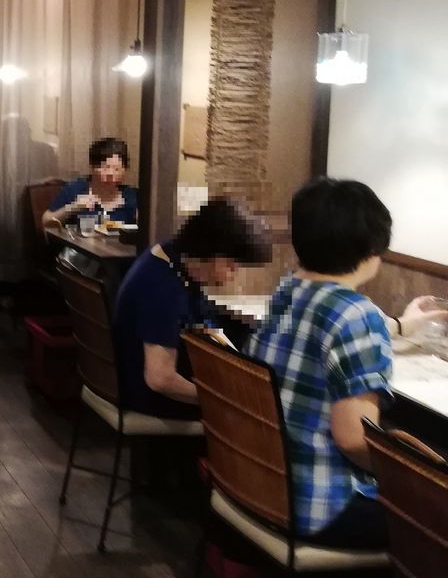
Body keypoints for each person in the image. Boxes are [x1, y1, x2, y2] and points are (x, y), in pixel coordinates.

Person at [245, 178, 448, 549]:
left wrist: (403, 324)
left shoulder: (287, 291)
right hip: (323, 504)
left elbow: (334, 320)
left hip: (267, 482)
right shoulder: (358, 316)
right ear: (372, 249)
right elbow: (353, 440)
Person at [114, 198, 272, 420]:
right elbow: (160, 379)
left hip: (147, 382)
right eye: (231, 264)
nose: (234, 273)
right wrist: (224, 399)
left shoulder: (169, 256)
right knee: (260, 414)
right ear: (211, 252)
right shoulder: (162, 289)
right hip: (151, 398)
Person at [43, 136, 138, 227]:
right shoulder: (75, 189)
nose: (110, 173)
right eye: (105, 167)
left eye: (116, 169)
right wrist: (73, 207)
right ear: (92, 167)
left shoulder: (131, 195)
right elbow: (45, 222)